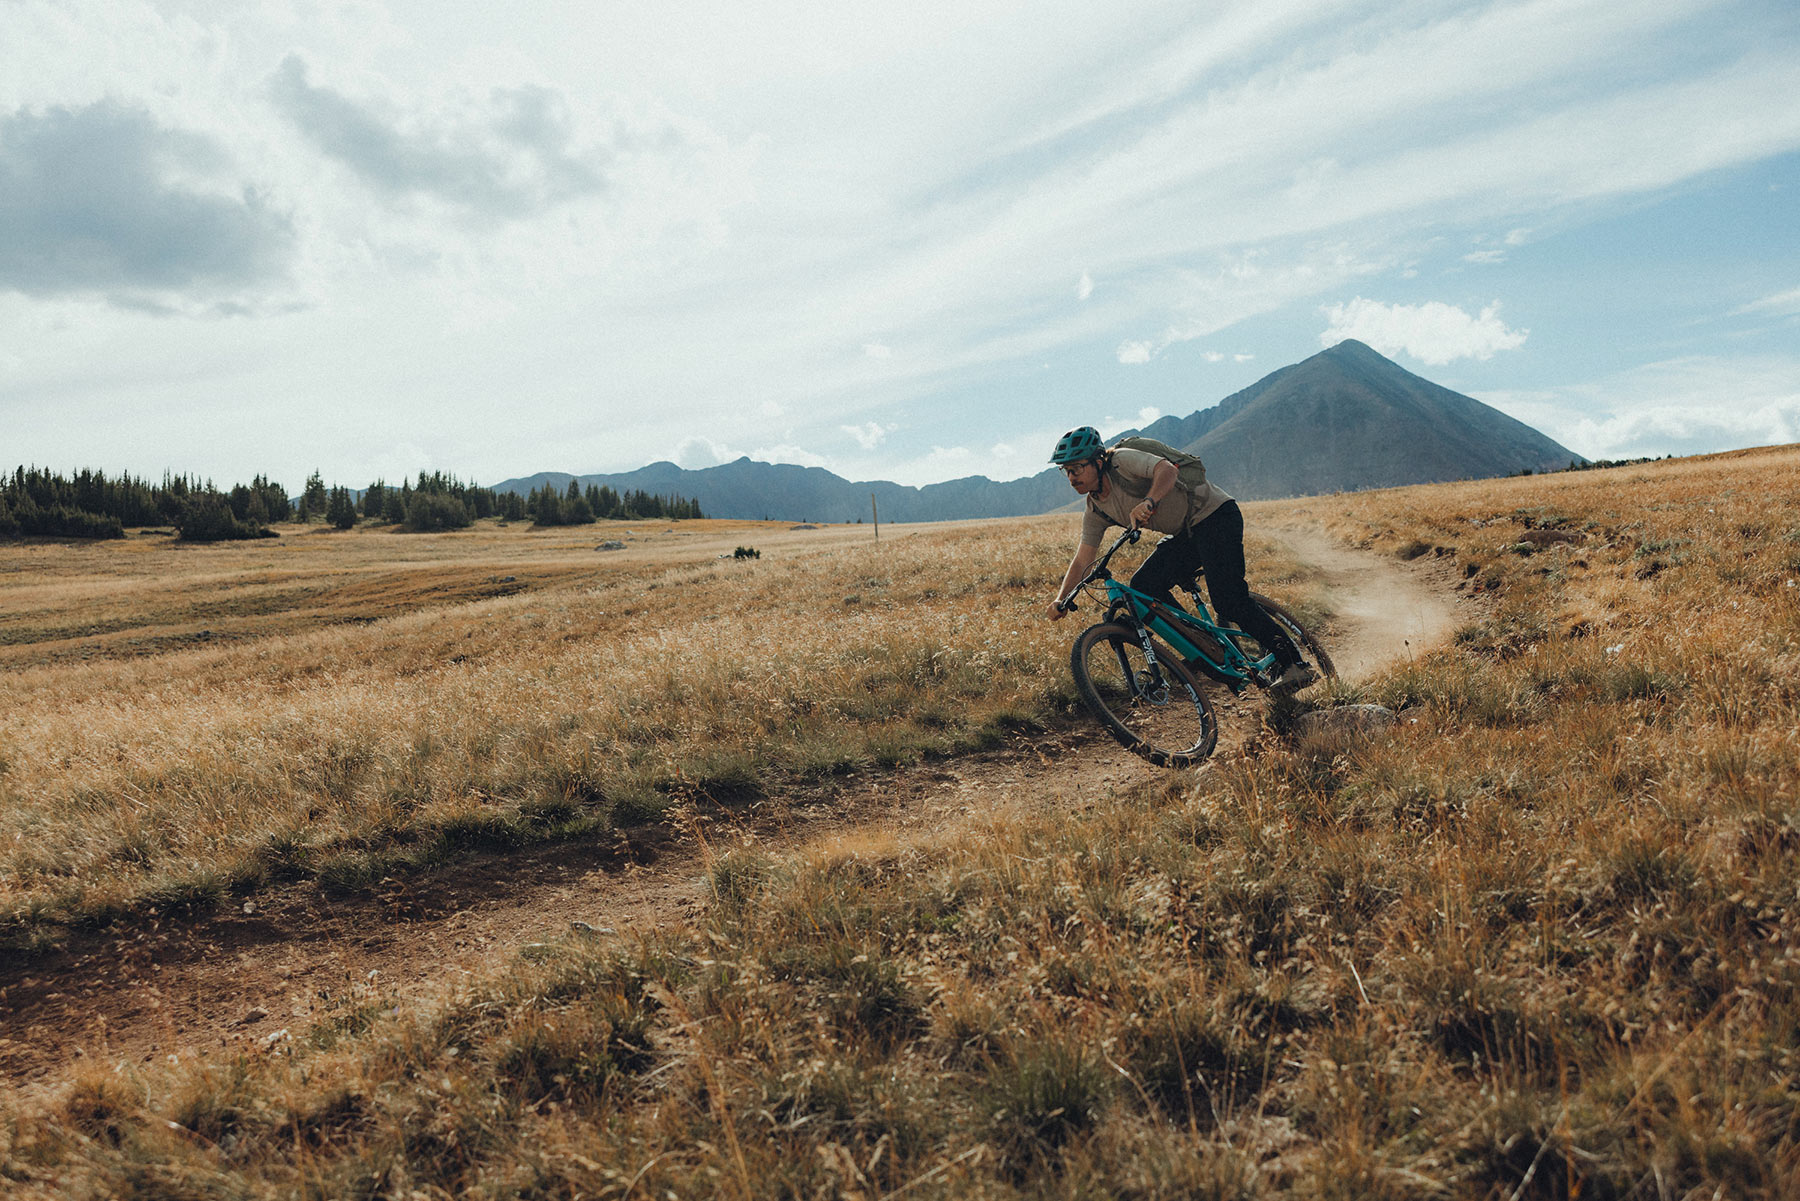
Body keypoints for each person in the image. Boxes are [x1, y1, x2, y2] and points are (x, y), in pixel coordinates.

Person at [1043, 425, 1319, 692]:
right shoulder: (1095, 509)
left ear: (1098, 461)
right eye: (1066, 471)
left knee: (1228, 599)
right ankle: (1203, 645)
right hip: (1187, 534)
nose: (1071, 477)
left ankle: (1294, 663)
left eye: (1077, 468)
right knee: (1144, 586)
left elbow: (1166, 469)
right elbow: (1083, 559)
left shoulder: (1121, 462)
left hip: (1216, 516)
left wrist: (1149, 501)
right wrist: (1061, 599)